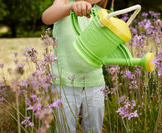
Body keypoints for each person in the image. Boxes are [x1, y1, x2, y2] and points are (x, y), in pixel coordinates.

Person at [42, 0, 108, 132]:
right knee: (64, 129)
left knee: (94, 129)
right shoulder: (65, 3)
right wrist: (71, 7)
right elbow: (46, 17)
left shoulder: (104, 14)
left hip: (95, 83)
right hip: (65, 84)